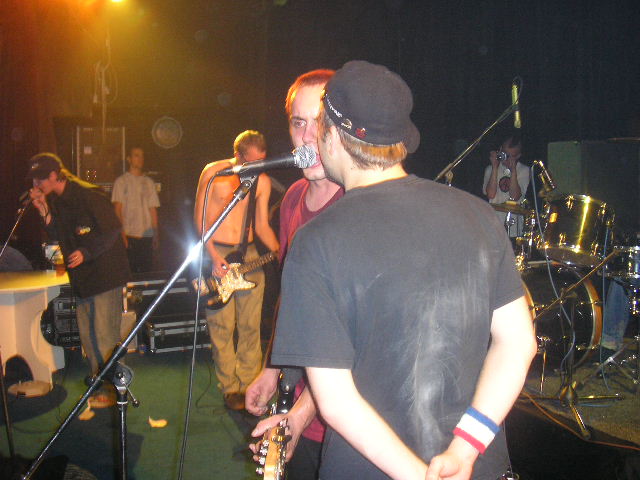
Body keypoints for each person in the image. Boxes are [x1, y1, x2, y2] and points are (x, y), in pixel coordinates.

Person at [270, 61, 537, 480]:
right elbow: (518, 343)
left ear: (332, 136)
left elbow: (336, 401)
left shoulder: (316, 242)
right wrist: (465, 448)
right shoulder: (479, 215)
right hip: (475, 468)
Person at [246, 69, 343, 479]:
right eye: (298, 122)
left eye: (321, 123)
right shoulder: (293, 200)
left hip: (343, 415)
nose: (308, 137)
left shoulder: (357, 206)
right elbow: (292, 297)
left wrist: (301, 416)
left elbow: (357, 335)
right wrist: (272, 368)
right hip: (299, 396)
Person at [28, 153, 130, 408]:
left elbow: (112, 228)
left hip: (105, 274)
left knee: (104, 334)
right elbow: (60, 233)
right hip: (83, 277)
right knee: (88, 334)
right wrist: (43, 210)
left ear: (54, 175)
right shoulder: (58, 201)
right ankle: (100, 383)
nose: (36, 184)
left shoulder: (88, 194)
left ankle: (115, 388)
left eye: (40, 179)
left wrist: (86, 251)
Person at [194, 130, 280, 411]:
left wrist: (281, 250)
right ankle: (230, 387)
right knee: (222, 327)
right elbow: (200, 220)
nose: (257, 167)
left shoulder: (262, 181)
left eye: (261, 162)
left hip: (249, 254)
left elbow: (262, 225)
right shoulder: (214, 173)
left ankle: (248, 384)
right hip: (216, 252)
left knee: (251, 326)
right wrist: (212, 255)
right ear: (238, 155)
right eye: (252, 162)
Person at [111, 146, 160, 273]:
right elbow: (117, 210)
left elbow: (153, 210)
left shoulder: (149, 182)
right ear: (129, 159)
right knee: (130, 273)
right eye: (136, 155)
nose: (140, 159)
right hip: (129, 235)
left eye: (142, 156)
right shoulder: (121, 182)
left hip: (146, 236)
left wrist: (156, 234)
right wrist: (122, 235)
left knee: (146, 273)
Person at [482, 134, 530, 237]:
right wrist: (495, 167)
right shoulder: (490, 169)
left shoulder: (524, 170)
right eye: (505, 154)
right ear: (500, 150)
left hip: (513, 227)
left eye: (511, 156)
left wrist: (513, 172)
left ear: (518, 156)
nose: (506, 159)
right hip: (493, 225)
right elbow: (491, 194)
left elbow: (515, 196)